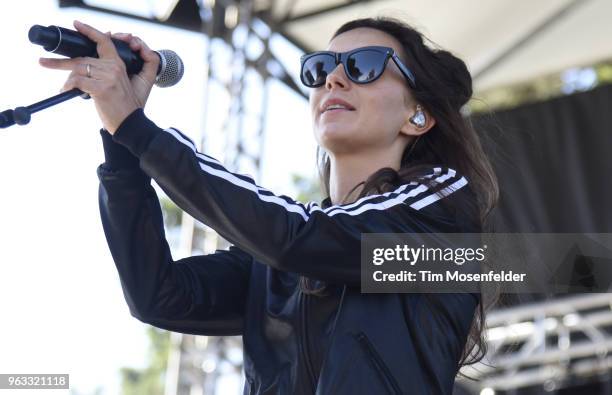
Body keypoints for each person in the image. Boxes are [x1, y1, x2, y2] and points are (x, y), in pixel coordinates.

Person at [40, 15, 498, 395]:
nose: (334, 78)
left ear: (418, 115)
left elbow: (298, 237)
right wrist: (122, 143)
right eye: (320, 69)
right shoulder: (286, 250)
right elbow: (160, 296)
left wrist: (138, 129)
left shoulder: (439, 204)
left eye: (364, 66)